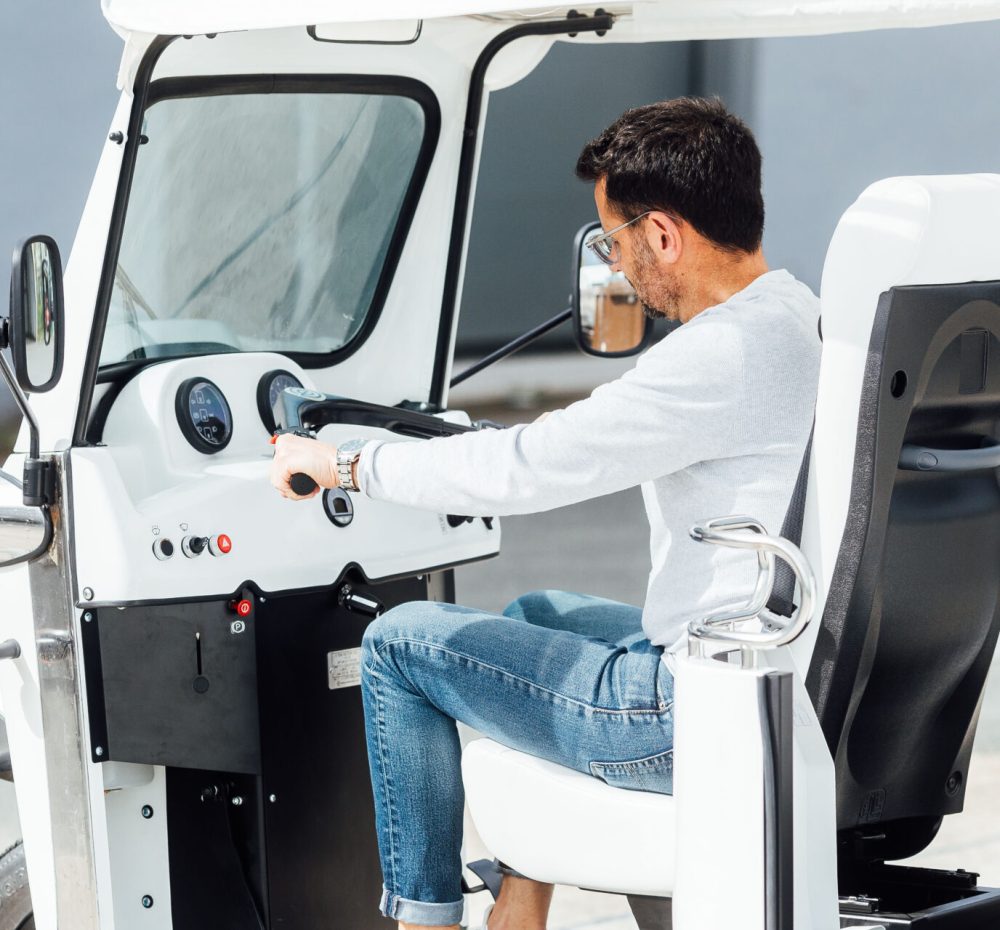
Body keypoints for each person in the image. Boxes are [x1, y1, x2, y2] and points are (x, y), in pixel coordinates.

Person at [269, 97, 820, 930]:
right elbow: (559, 446)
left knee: (397, 643)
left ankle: (423, 920)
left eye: (615, 242)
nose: (618, 266)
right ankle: (520, 902)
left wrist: (346, 464)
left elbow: (530, 470)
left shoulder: (716, 357)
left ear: (663, 235)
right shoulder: (796, 316)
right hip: (764, 674)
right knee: (535, 614)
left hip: (683, 713)